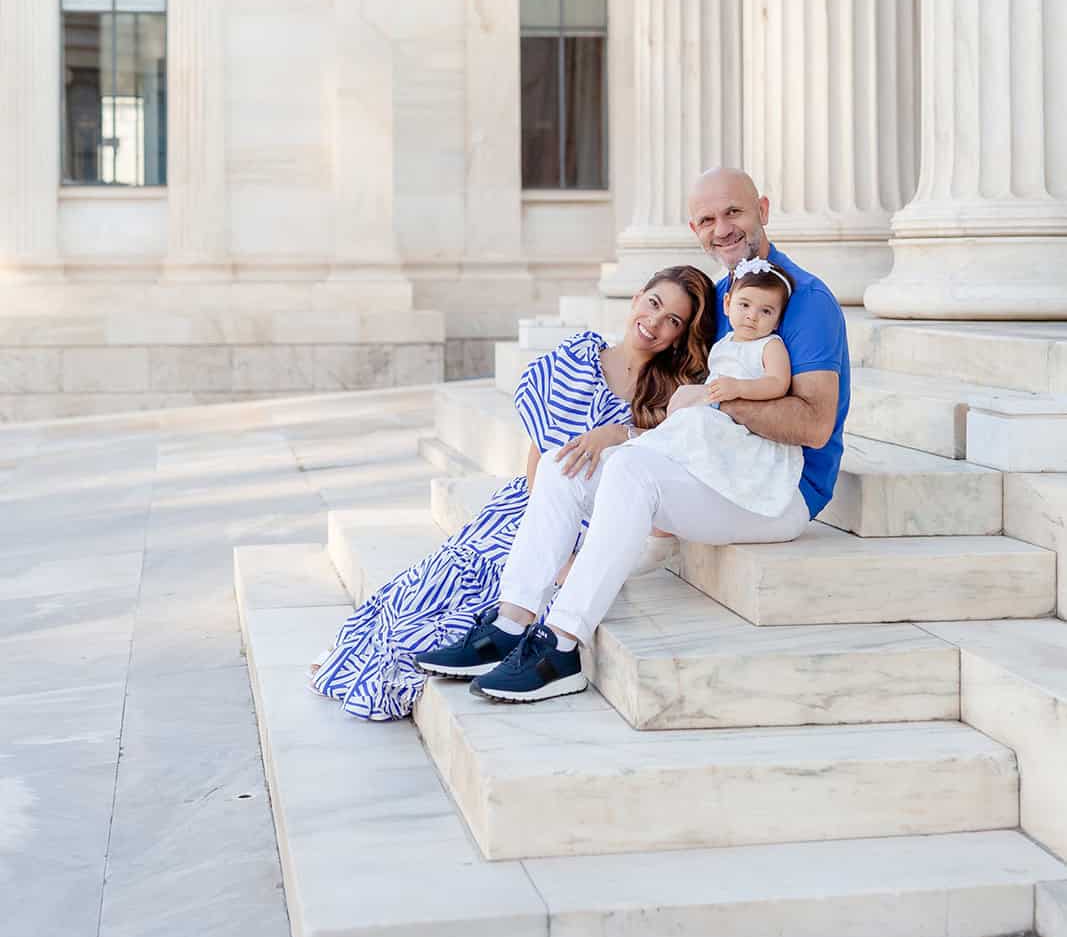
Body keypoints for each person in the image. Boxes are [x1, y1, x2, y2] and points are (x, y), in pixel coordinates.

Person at [423, 166, 850, 705]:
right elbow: (679, 403)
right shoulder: (719, 300)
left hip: (778, 494)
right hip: (714, 471)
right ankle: (511, 623)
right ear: (694, 229)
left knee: (631, 468)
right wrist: (626, 426)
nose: (722, 228)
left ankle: (562, 644)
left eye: (734, 213)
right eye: (706, 219)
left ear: (763, 211)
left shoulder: (805, 301)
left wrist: (720, 397)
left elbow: (813, 425)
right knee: (562, 463)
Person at [310, 265, 716, 719]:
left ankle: (503, 637)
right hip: (537, 502)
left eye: (673, 321)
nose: (655, 323)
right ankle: (442, 640)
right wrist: (536, 519)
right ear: (638, 296)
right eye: (654, 303)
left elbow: (657, 482)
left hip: (597, 523)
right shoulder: (580, 356)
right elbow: (542, 452)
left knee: (482, 592)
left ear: (681, 337)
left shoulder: (671, 394)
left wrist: (617, 435)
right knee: (445, 575)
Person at [639, 256, 802, 525]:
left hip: (745, 423)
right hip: (717, 410)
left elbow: (777, 382)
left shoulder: (770, 345)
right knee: (686, 420)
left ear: (777, 320)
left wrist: (739, 388)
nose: (752, 315)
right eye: (745, 304)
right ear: (727, 304)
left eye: (766, 311)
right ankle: (656, 458)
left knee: (696, 422)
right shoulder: (724, 343)